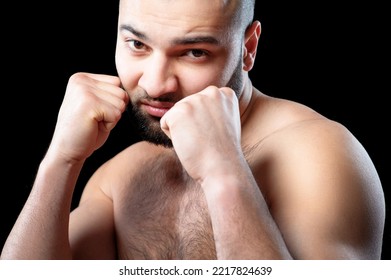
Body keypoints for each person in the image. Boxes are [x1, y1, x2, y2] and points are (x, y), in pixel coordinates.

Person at [1, 0, 386, 260]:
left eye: (194, 52)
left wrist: (224, 172)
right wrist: (61, 160)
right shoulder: (119, 177)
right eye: (137, 44)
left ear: (247, 47)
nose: (155, 84)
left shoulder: (320, 153)